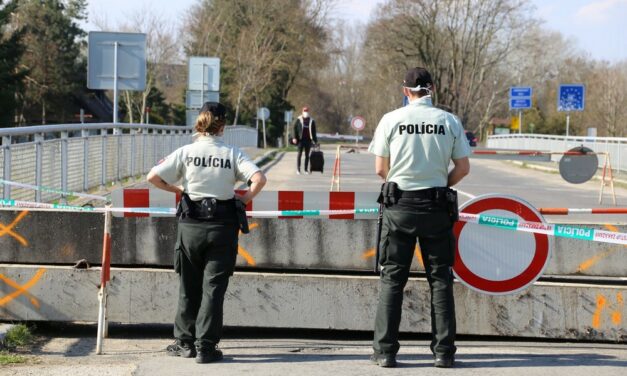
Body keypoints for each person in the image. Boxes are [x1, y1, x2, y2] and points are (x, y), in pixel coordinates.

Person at [147, 102, 266, 364]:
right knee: (213, 289)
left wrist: (179, 191)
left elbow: (153, 177)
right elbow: (259, 179)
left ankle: (184, 343)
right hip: (222, 227)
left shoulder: (186, 151)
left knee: (188, 285)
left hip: (190, 226)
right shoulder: (232, 153)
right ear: (223, 125)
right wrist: (244, 200)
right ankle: (206, 347)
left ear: (200, 121)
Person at [368, 67, 471, 368]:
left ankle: (385, 351)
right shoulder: (449, 121)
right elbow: (463, 168)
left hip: (399, 207)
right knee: (440, 280)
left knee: (392, 280)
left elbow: (379, 169)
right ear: (433, 89)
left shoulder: (391, 120)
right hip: (436, 207)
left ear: (405, 91)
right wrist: (440, 185)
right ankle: (443, 352)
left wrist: (402, 184)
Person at [291, 106, 318, 174]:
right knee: (299, 154)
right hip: (300, 140)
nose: (306, 112)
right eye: (304, 111)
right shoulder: (298, 119)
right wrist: (294, 137)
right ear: (302, 112)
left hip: (308, 140)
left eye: (307, 111)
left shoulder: (311, 120)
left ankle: (306, 169)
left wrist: (315, 141)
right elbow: (294, 129)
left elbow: (314, 131)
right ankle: (298, 169)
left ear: (308, 112)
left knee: (307, 155)